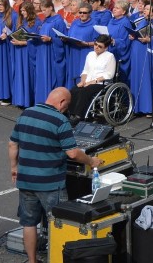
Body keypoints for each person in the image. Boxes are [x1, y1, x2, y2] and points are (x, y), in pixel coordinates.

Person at [9, 88, 103, 263]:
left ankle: (32, 260)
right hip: (51, 184)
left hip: (26, 181)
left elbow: (12, 144)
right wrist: (91, 161)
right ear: (61, 103)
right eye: (66, 106)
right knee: (59, 223)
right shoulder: (60, 121)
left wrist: (14, 167)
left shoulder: (26, 113)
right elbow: (73, 154)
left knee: (29, 223)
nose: (65, 110)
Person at [68, 35, 117, 118]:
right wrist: (83, 81)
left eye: (100, 46)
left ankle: (78, 116)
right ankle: (70, 113)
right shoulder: (90, 54)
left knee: (84, 92)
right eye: (95, 44)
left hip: (101, 83)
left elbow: (109, 74)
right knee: (74, 90)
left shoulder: (110, 56)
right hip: (87, 81)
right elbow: (85, 70)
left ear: (105, 48)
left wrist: (93, 82)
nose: (96, 47)